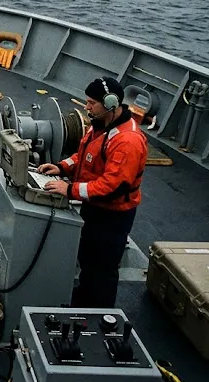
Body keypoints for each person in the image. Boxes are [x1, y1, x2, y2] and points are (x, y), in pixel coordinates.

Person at [38, 76, 147, 308]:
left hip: (111, 216)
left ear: (109, 104)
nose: (86, 107)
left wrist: (69, 189)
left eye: (90, 103)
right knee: (88, 259)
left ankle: (97, 312)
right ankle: (85, 296)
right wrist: (62, 166)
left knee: (103, 268)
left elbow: (112, 187)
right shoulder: (100, 126)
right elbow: (85, 156)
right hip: (93, 207)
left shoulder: (128, 141)